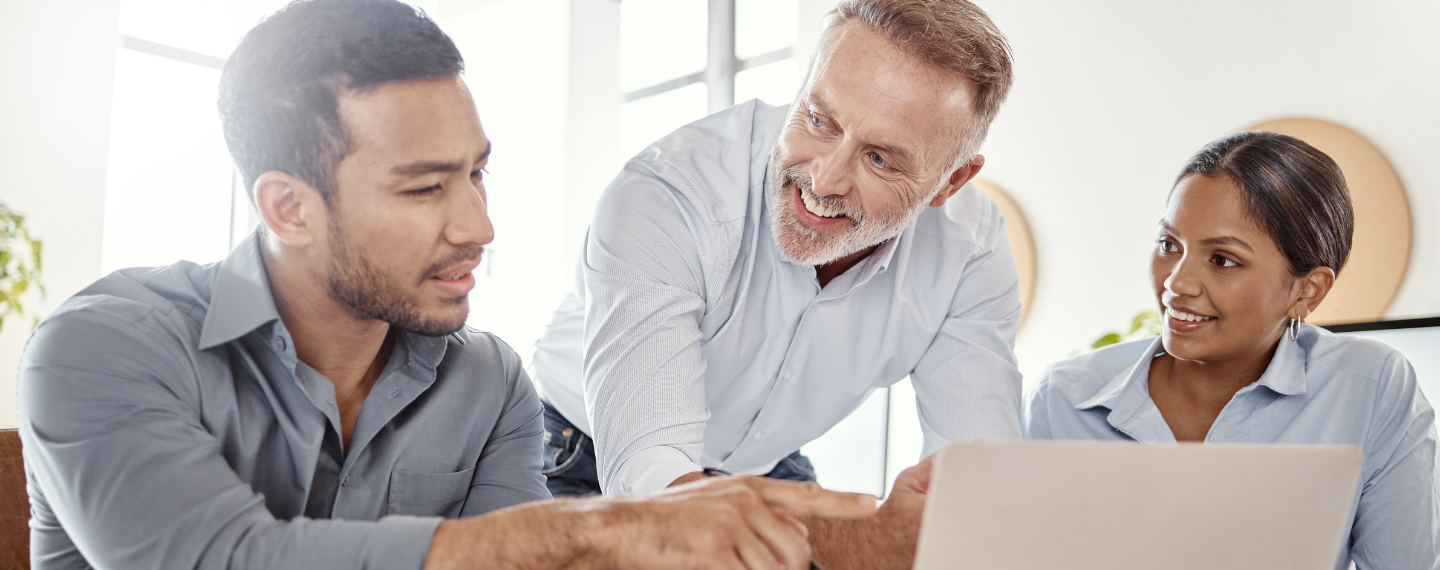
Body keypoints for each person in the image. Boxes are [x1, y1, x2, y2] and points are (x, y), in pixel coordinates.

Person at [16, 2, 876, 569]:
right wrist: (608, 526)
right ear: (289, 207)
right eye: (425, 187)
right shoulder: (101, 347)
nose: (477, 227)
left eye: (478, 175)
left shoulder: (490, 382)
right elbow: (219, 558)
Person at [530, 0, 1019, 567]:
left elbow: (981, 487)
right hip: (579, 451)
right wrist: (862, 542)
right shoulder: (666, 195)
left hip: (759, 464)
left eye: (881, 159)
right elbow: (655, 493)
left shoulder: (971, 253)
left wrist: (935, 531)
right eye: (819, 120)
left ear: (950, 181)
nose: (824, 179)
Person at [1024, 131, 1439, 569]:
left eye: (1223, 259)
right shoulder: (1063, 398)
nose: (1176, 283)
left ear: (1307, 291)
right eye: (1169, 245)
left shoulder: (1370, 389)